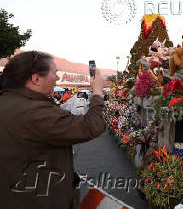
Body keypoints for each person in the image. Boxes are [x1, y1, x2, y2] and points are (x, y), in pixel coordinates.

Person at [0, 51, 105, 209]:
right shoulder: (35, 111)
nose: (57, 78)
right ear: (36, 79)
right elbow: (92, 125)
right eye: (54, 73)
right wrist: (97, 92)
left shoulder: (7, 102)